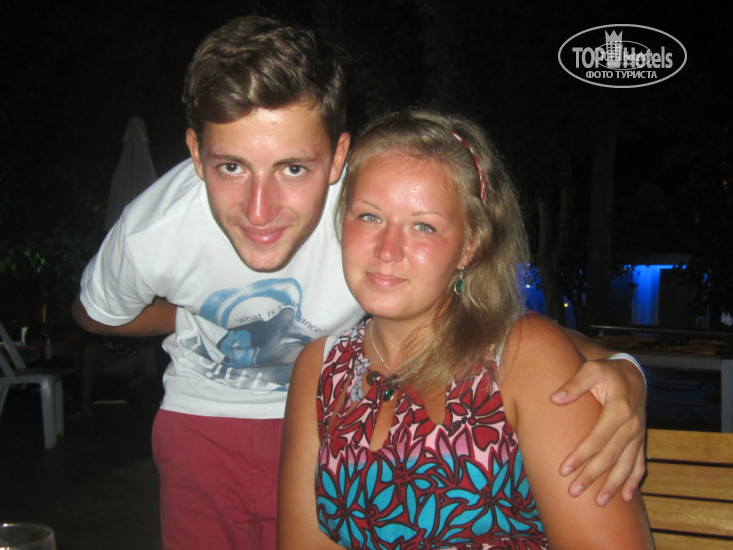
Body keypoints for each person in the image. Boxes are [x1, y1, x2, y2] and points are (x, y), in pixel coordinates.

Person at [72, 16, 646, 550]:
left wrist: (626, 369)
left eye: (293, 168)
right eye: (231, 166)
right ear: (197, 155)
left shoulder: (372, 197)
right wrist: (196, 312)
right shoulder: (159, 236)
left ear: (335, 160)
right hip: (211, 412)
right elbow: (95, 313)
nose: (260, 208)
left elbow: (521, 343)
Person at [278, 110, 654, 549]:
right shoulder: (320, 369)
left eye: (423, 226)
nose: (387, 249)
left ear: (469, 246)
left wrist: (627, 366)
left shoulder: (521, 358)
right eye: (369, 217)